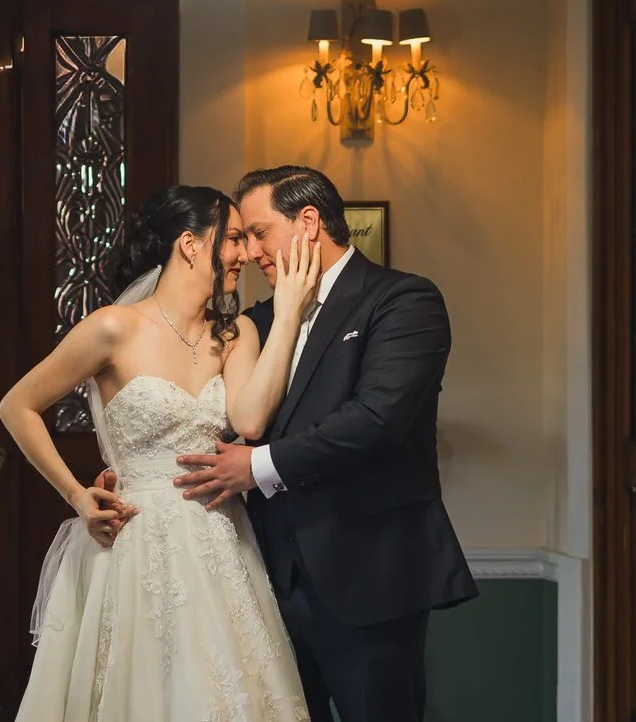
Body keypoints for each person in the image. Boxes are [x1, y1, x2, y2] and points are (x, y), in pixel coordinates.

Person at [0, 184, 319, 721]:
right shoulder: (112, 328)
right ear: (191, 245)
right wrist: (77, 494)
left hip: (219, 541)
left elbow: (250, 420)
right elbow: (17, 406)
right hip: (135, 539)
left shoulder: (236, 332)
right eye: (234, 239)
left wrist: (285, 316)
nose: (246, 254)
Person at [172, 166, 478, 722]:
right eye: (242, 238)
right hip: (264, 580)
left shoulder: (402, 300)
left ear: (308, 221)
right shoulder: (257, 322)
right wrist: (136, 466)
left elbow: (377, 419)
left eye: (259, 232)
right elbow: (214, 418)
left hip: (370, 574)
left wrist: (258, 466)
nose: (249, 252)